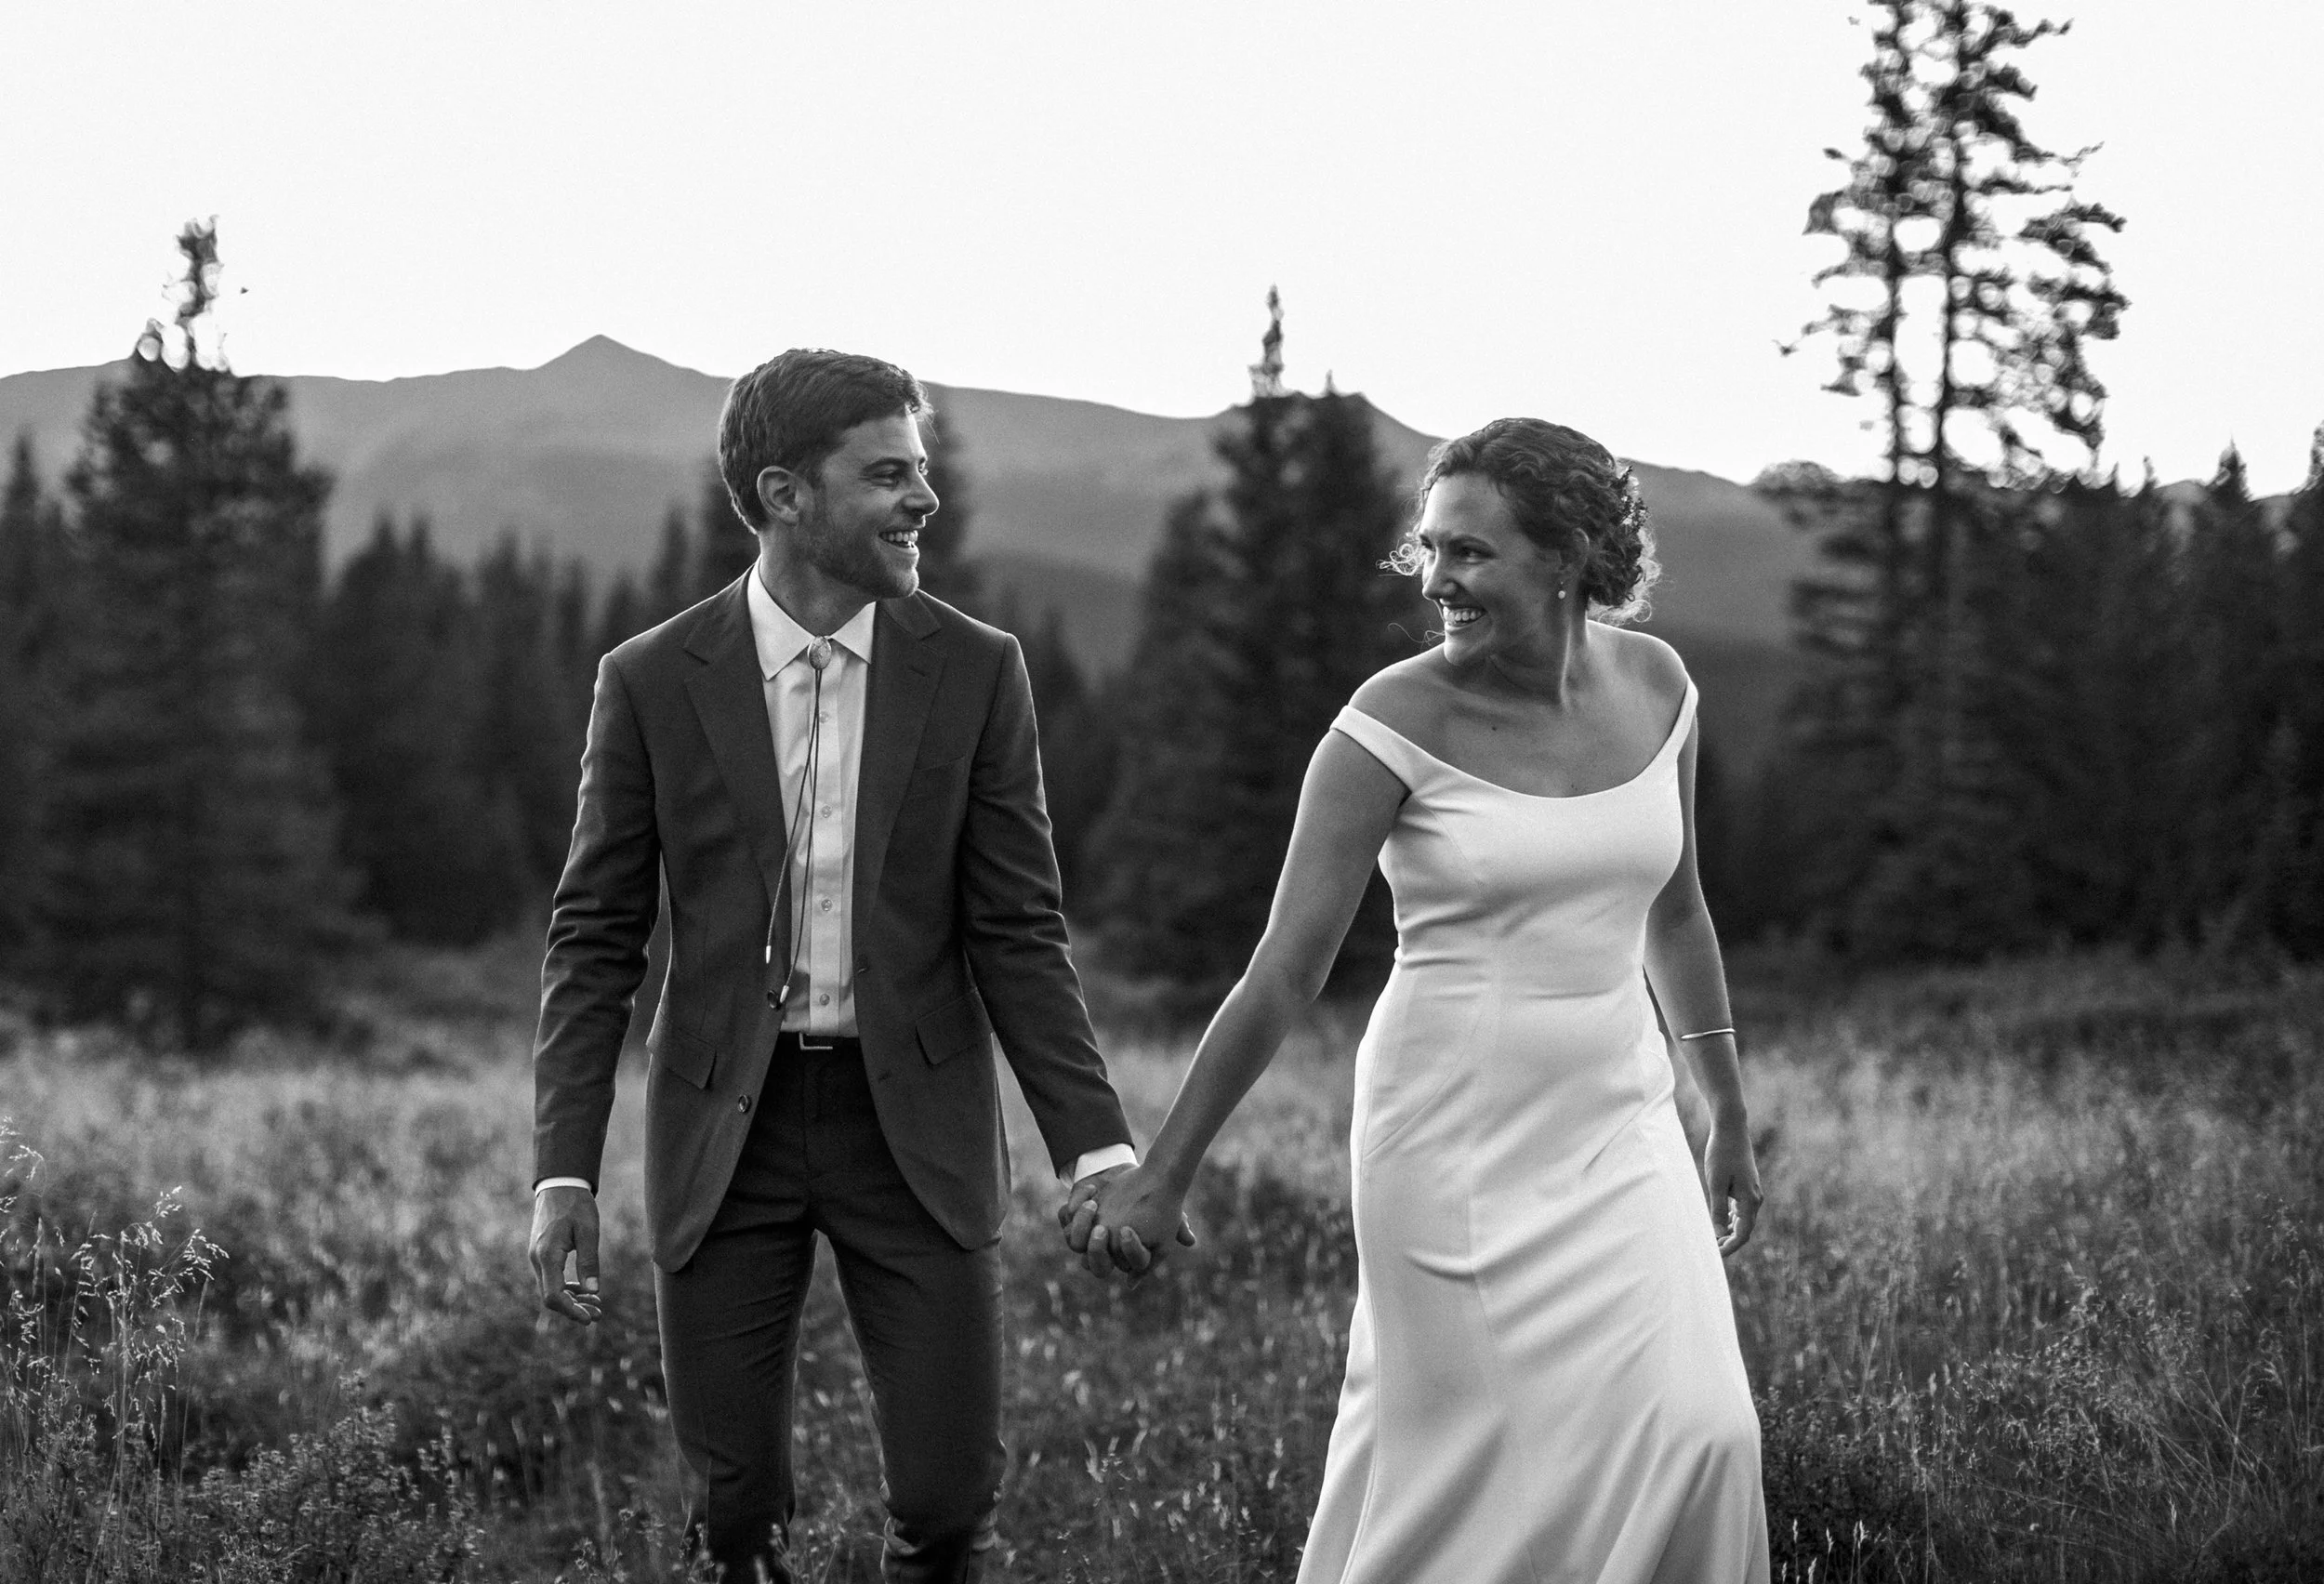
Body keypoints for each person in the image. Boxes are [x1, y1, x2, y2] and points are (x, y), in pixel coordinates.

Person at [1066, 417, 1770, 1582]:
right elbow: (1282, 971)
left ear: (1568, 557)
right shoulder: (1389, 724)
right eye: (1429, 549)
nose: (1435, 580)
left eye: (1469, 554)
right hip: (1446, 1142)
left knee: (1704, 1434)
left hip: (1621, 1122)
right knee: (1467, 1471)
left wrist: (1724, 1105)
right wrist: (1165, 1170)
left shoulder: (1660, 686)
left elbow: (1677, 910)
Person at [527, 348, 1181, 1584]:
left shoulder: (979, 671)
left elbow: (1019, 933)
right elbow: (594, 941)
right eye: (888, 476)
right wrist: (563, 1169)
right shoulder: (652, 680)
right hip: (725, 1131)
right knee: (731, 1517)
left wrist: (1096, 1147)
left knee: (946, 1507)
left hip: (915, 1128)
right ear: (784, 494)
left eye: (921, 472)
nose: (923, 500)